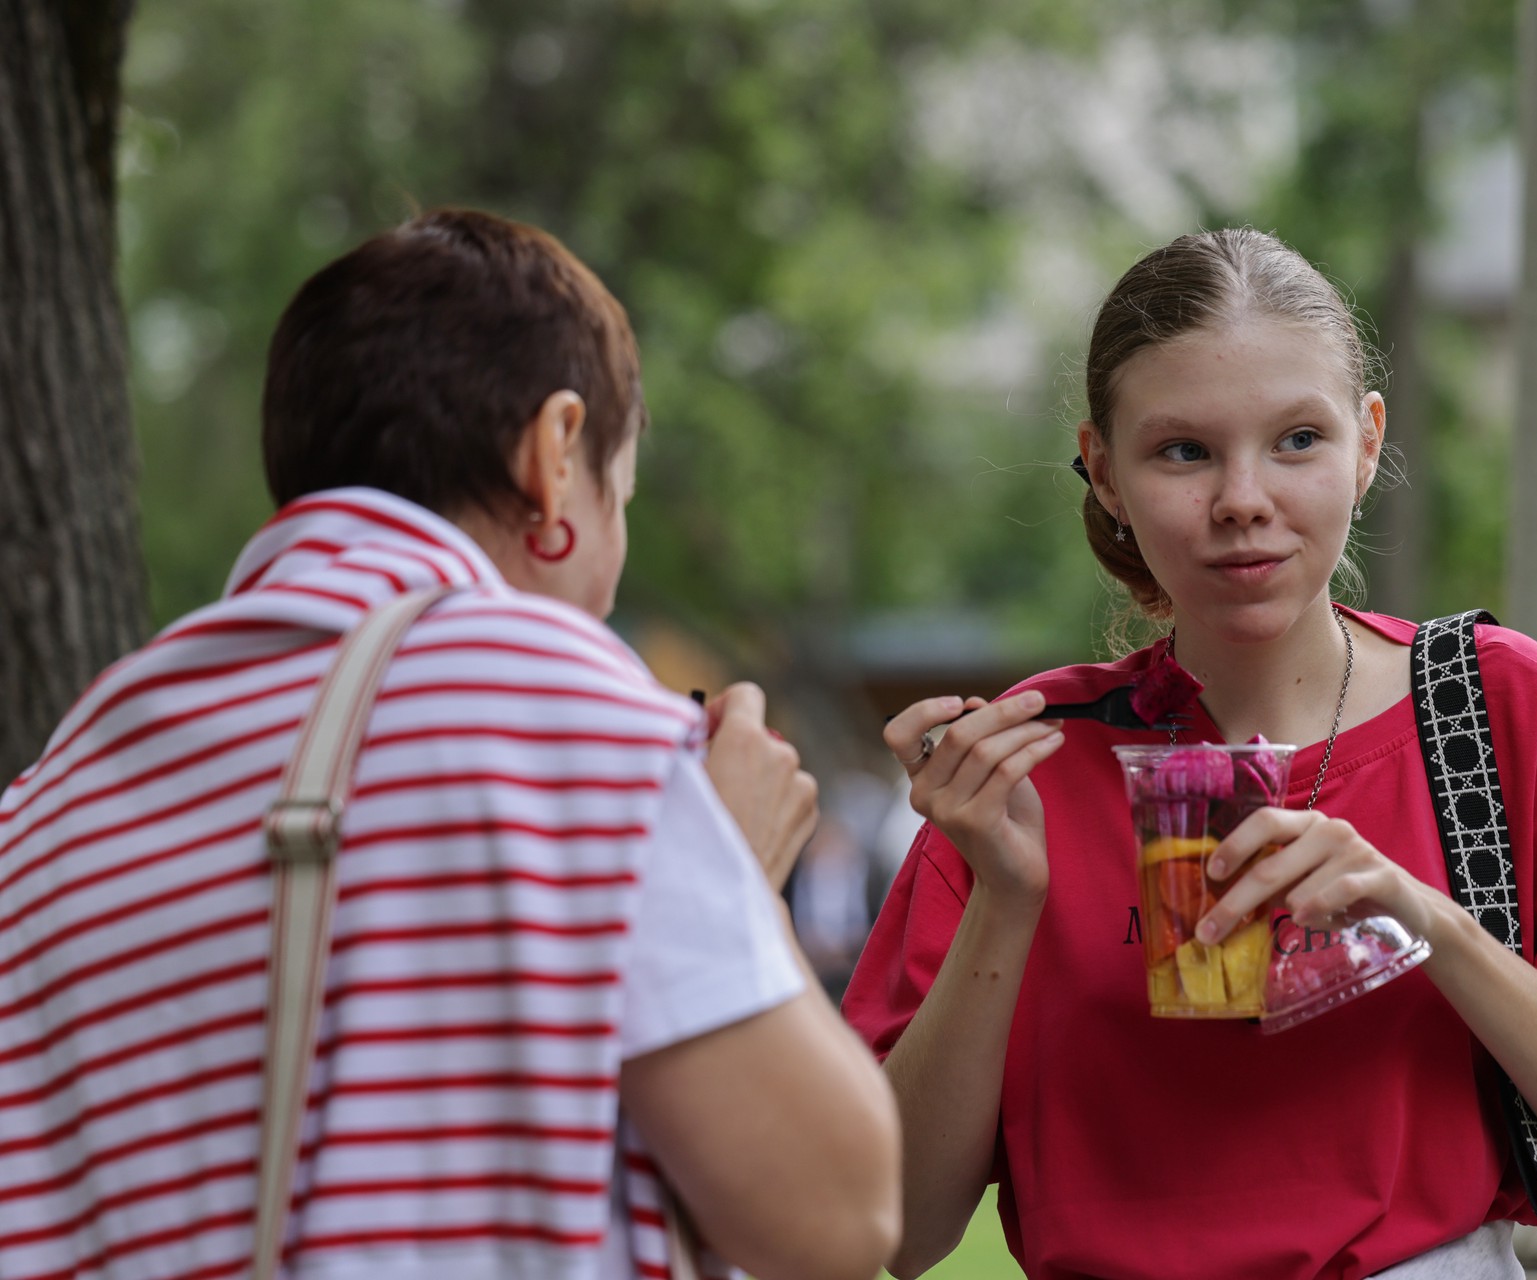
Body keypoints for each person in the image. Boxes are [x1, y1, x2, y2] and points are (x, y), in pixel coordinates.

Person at [0, 209, 899, 1280]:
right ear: (554, 454)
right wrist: (729, 866)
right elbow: (840, 1215)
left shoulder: (57, 780)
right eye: (623, 494)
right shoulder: (555, 704)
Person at [846, 228, 1537, 1280]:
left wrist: (1428, 919)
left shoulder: (1490, 707)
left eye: (1296, 439)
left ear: (1367, 444)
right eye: (1182, 449)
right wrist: (1006, 896)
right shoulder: (1028, 763)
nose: (1243, 497)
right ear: (1102, 469)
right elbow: (896, 1230)